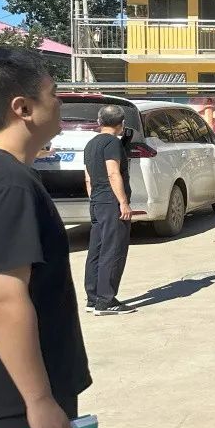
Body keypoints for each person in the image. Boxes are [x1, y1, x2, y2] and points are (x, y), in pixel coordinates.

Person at [0, 48, 92, 428]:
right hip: (13, 407)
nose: (60, 103)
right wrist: (40, 400)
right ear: (23, 108)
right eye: (53, 93)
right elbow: (1, 297)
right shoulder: (7, 183)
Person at [83, 105, 135, 316]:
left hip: (97, 201)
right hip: (111, 202)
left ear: (99, 121)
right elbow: (113, 173)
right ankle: (106, 301)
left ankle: (93, 298)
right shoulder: (113, 143)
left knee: (96, 250)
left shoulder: (90, 144)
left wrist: (94, 199)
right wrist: (123, 202)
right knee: (113, 250)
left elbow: (88, 177)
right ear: (121, 123)